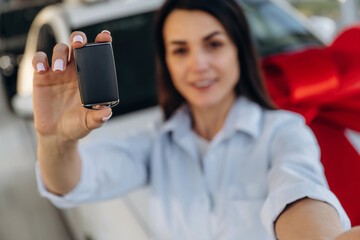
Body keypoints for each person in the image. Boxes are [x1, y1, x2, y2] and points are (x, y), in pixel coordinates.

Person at [32, 0, 360, 239]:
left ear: (239, 51)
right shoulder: (153, 143)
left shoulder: (284, 131)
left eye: (213, 44)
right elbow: (72, 182)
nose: (198, 64)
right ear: (167, 64)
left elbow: (299, 190)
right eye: (180, 50)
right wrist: (55, 141)